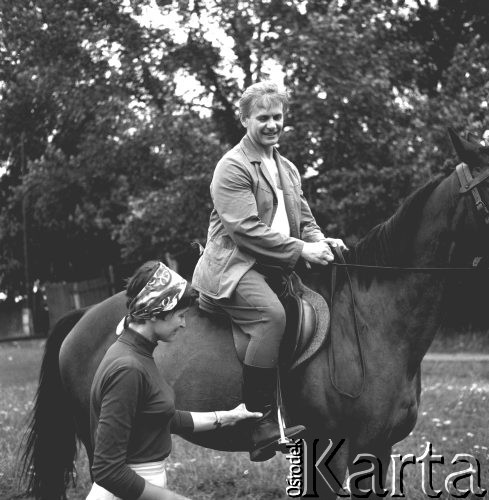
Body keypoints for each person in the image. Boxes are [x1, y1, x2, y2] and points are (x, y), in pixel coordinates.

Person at [192, 81, 347, 461]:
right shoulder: (231, 166)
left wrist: (322, 241)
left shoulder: (288, 168)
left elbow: (305, 219)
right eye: (263, 117)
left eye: (277, 117)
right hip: (235, 267)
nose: (272, 124)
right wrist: (301, 249)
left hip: (275, 267)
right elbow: (245, 231)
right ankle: (259, 422)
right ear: (244, 119)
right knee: (271, 315)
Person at [87, 260, 261, 500]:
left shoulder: (139, 355)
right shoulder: (127, 369)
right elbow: (107, 470)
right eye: (180, 315)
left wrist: (227, 417)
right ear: (155, 313)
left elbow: (162, 418)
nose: (184, 323)